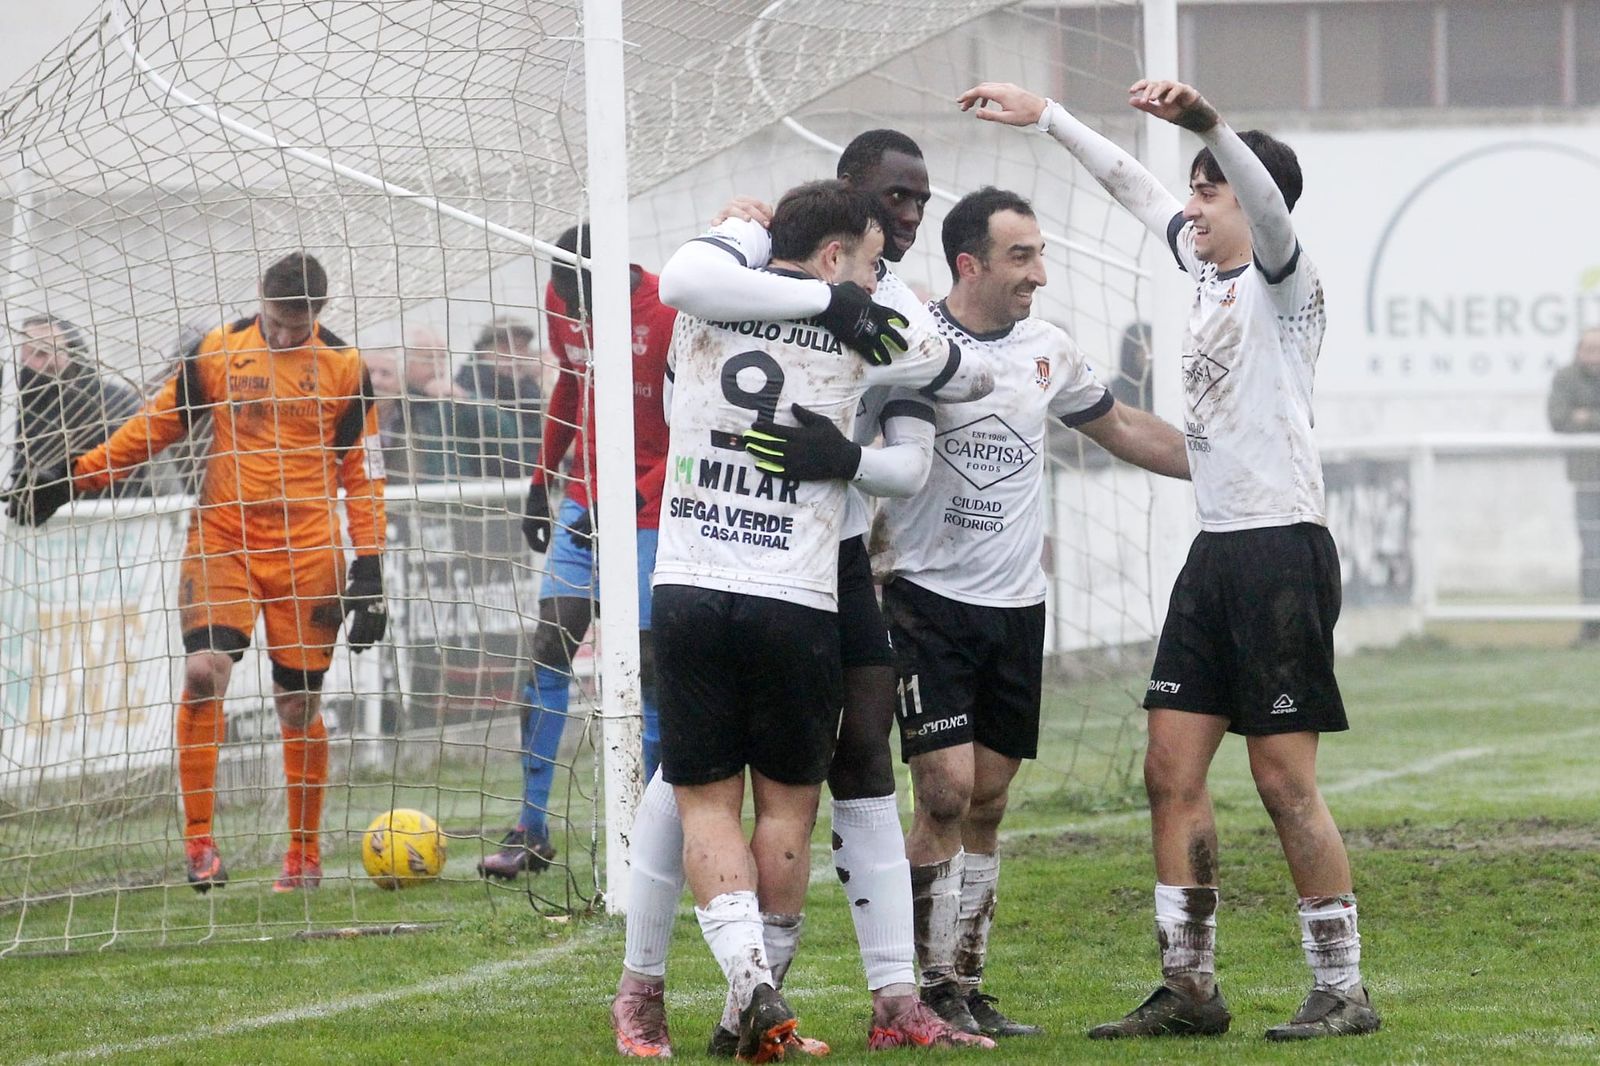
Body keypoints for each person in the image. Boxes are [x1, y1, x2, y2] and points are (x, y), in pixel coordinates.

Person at [960, 79, 1381, 1040]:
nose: (1191, 206)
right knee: (1168, 768)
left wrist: (1212, 126)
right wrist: (1051, 118)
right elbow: (1133, 190)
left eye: (1210, 192)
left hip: (1282, 549)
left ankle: (1342, 985)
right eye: (1193, 191)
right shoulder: (1203, 271)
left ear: (1250, 199)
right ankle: (1190, 986)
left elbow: (1263, 202)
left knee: (1283, 782)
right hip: (1217, 551)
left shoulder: (1286, 278)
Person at [610, 129, 997, 1055]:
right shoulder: (834, 291)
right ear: (844, 214)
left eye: (918, 202)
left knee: (840, 763)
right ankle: (650, 986)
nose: (908, 223)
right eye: (893, 206)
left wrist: (851, 454)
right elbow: (967, 369)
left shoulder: (750, 279)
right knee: (729, 784)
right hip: (786, 573)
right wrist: (837, 305)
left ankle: (849, 998)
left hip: (779, 557)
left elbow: (913, 446)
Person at [866, 187, 1189, 1040]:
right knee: (944, 788)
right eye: (1021, 257)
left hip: (1016, 607)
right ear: (968, 263)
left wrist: (1223, 465)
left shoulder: (1049, 350)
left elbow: (1119, 426)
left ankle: (967, 980)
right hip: (923, 597)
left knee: (991, 800)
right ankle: (920, 987)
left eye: (1040, 255)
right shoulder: (913, 341)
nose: (1038, 275)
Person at [6, 253, 388, 894]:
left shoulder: (347, 368)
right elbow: (155, 427)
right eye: (277, 320)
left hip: (308, 555)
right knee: (204, 672)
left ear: (319, 314)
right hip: (224, 541)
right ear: (261, 302)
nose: (287, 335)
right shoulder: (218, 351)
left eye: (300, 325)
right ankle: (200, 843)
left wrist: (372, 566)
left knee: (297, 702)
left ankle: (302, 854)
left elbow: (363, 472)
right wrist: (73, 477)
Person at [477, 227, 675, 880]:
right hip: (584, 501)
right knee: (550, 640)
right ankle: (530, 824)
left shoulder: (670, 311)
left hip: (653, 508)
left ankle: (653, 826)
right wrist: (542, 481)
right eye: (567, 301)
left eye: (585, 301)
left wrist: (631, 501)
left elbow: (695, 427)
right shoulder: (564, 298)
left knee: (647, 662)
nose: (576, 314)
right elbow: (570, 384)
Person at [8, 314, 145, 500]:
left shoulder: (114, 401)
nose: (52, 361)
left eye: (59, 351)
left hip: (108, 515)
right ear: (17, 360)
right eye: (40, 353)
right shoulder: (9, 409)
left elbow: (153, 472)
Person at [1547, 327, 1600, 645]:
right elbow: (1558, 419)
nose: (1593, 356)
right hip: (1587, 481)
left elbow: (1576, 419)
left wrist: (1586, 418)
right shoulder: (1565, 378)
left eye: (1598, 349)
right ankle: (1592, 625)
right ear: (1578, 351)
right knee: (1593, 555)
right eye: (1588, 349)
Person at [459, 315, 543, 478]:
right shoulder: (468, 391)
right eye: (505, 348)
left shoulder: (531, 390)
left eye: (520, 348)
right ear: (483, 352)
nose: (514, 356)